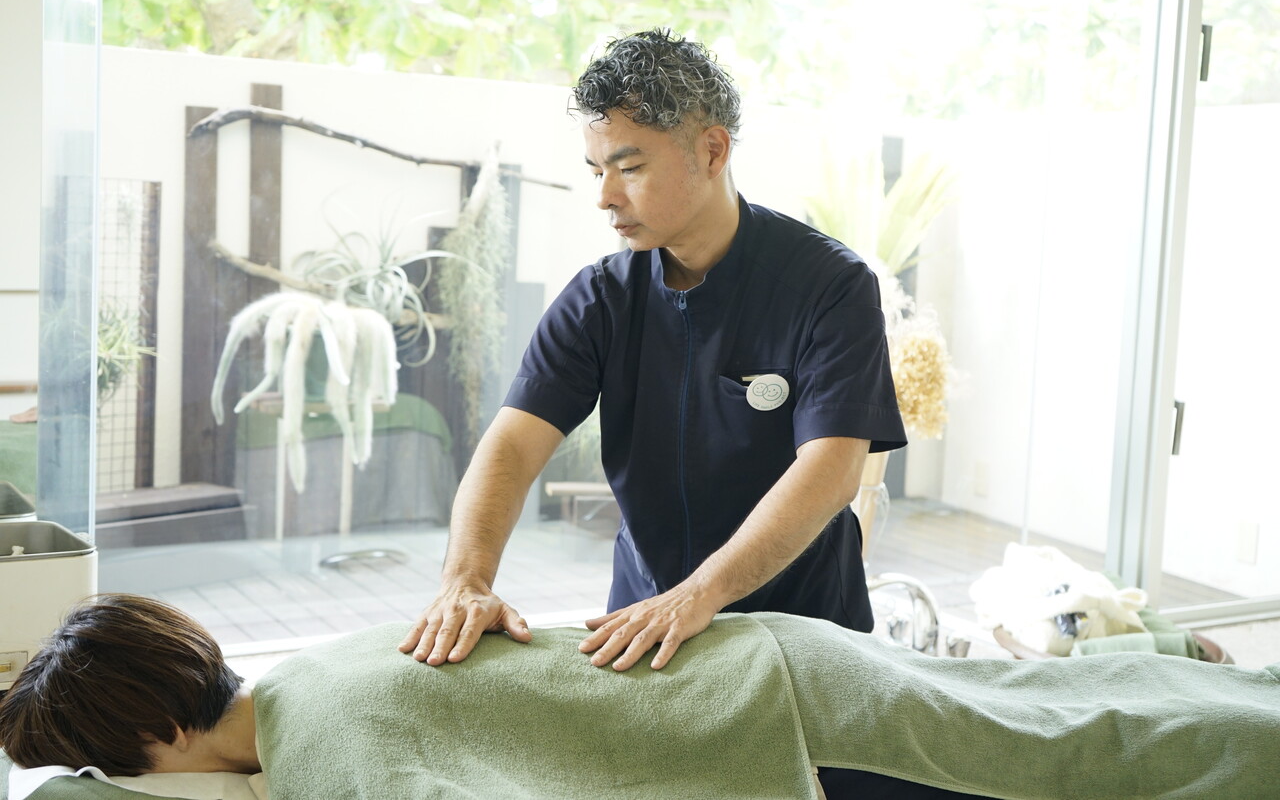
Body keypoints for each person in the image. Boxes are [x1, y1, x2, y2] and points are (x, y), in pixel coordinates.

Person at [401, 28, 907, 678]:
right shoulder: (600, 299)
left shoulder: (830, 285)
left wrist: (699, 595)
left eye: (630, 167)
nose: (605, 196)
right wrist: (465, 580)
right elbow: (512, 446)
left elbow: (832, 472)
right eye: (597, 171)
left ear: (712, 150)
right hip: (646, 629)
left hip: (801, 633)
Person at [6, 595, 1279, 800]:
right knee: (1030, 702)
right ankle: (1182, 651)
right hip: (765, 658)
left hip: (787, 732)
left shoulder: (332, 762)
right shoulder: (323, 663)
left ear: (156, 733)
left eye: (113, 770)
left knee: (1081, 757)